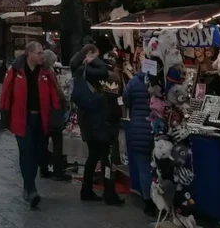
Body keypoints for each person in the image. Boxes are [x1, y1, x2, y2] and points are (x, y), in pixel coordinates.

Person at [0, 41, 62, 208]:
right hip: (22, 119)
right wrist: (3, 114)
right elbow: (5, 92)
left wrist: (56, 115)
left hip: (41, 119)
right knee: (26, 152)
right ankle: (31, 188)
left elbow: (55, 94)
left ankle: (29, 185)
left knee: (38, 153)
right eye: (39, 53)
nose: (43, 55)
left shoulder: (46, 71)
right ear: (29, 54)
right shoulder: (16, 70)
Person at [72, 56, 125, 205]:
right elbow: (114, 106)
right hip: (104, 126)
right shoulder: (110, 79)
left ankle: (86, 189)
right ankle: (109, 192)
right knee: (106, 159)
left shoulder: (86, 76)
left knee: (92, 157)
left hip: (89, 126)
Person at [123, 68, 155, 216]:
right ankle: (162, 200)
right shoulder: (159, 81)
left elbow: (126, 100)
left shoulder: (133, 82)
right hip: (157, 129)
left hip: (137, 129)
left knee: (143, 168)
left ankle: (148, 202)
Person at [40, 49, 70, 182]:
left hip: (44, 113)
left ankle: (43, 168)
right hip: (53, 112)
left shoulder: (38, 73)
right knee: (57, 143)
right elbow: (56, 93)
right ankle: (58, 171)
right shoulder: (49, 73)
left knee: (43, 142)